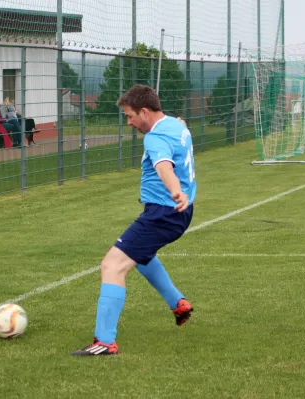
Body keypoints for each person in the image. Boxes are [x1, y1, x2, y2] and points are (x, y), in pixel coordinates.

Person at [71, 84, 196, 356]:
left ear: (145, 111)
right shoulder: (176, 125)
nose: (129, 122)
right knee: (142, 257)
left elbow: (164, 166)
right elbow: (178, 126)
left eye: (130, 116)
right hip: (176, 212)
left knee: (112, 265)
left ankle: (104, 342)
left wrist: (176, 191)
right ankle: (178, 303)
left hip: (164, 212)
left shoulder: (155, 138)